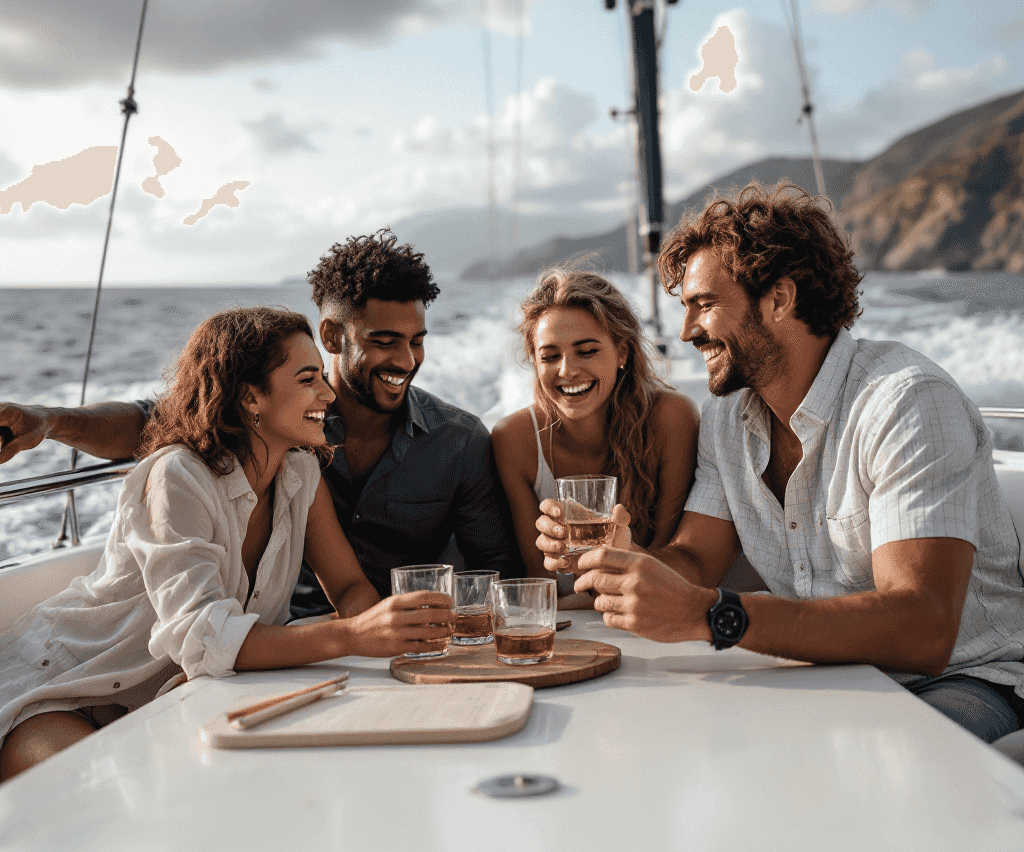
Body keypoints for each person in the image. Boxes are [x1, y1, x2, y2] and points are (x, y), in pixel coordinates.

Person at [536, 182, 1024, 744]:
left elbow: (921, 627)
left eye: (704, 305)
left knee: (893, 768)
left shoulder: (907, 403)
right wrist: (629, 562)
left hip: (960, 679)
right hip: (826, 673)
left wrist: (712, 616)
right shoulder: (727, 419)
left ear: (779, 298)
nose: (688, 331)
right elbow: (696, 557)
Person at [0, 307, 455, 781]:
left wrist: (390, 636)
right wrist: (354, 635)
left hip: (164, 702)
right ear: (250, 398)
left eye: (323, 375)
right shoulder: (177, 476)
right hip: (64, 691)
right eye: (307, 379)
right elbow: (205, 635)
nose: (327, 393)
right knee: (97, 801)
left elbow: (347, 587)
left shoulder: (300, 473)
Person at [0, 229, 520, 617]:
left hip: (380, 646)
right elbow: (148, 422)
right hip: (270, 641)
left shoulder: (459, 441)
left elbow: (497, 574)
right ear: (333, 336)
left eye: (418, 341)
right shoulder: (276, 423)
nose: (406, 360)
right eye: (385, 341)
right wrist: (48, 421)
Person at [491, 269, 698, 606]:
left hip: (653, 616)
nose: (567, 370)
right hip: (567, 627)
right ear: (534, 361)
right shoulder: (515, 440)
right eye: (550, 356)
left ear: (622, 353)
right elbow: (540, 584)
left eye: (586, 351)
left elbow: (671, 568)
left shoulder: (672, 419)